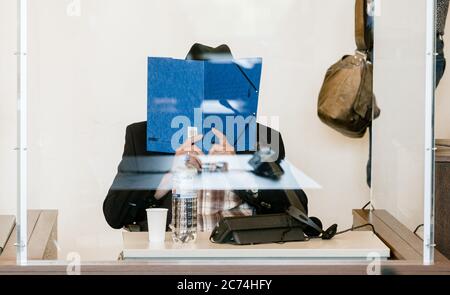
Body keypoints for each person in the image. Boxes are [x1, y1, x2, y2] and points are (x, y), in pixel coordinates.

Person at [103, 43, 308, 232]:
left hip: (241, 255)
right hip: (172, 257)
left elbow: (298, 209)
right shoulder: (144, 138)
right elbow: (115, 215)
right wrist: (168, 174)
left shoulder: (262, 139)